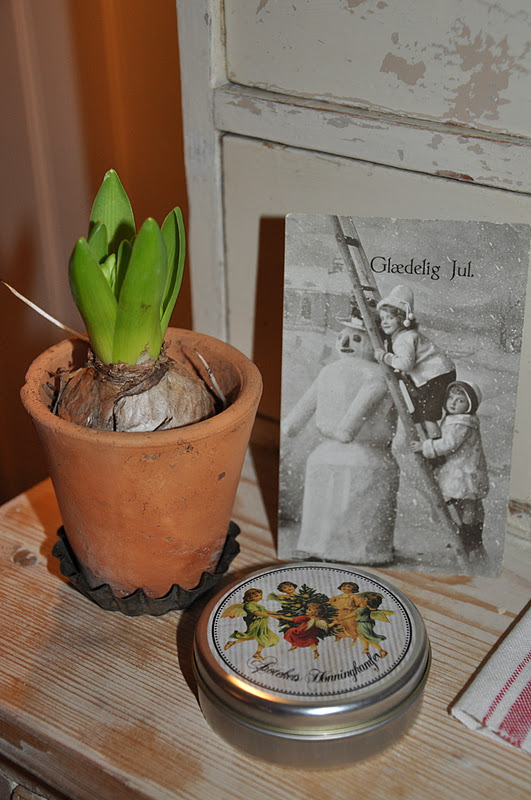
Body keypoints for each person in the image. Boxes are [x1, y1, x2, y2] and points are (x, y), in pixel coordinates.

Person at [411, 380, 489, 559]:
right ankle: (469, 537)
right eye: (450, 398)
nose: (453, 403)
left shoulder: (462, 422)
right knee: (466, 504)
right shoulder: (457, 419)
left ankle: (468, 537)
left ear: (470, 405)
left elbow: (449, 444)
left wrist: (426, 446)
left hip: (463, 470)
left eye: (460, 400)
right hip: (463, 467)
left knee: (467, 503)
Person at [374, 284, 456, 438]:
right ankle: (428, 442)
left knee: (428, 416)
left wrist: (385, 357)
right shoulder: (403, 336)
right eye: (383, 318)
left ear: (402, 320)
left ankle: (434, 446)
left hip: (437, 375)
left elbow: (406, 364)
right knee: (421, 411)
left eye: (390, 318)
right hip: (439, 373)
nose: (385, 322)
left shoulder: (404, 338)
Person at [223, 588, 280, 661]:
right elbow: (256, 613)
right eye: (256, 596)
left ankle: (257, 653)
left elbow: (266, 611)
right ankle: (233, 643)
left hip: (262, 624)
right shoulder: (248, 605)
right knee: (258, 636)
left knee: (262, 637)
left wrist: (277, 613)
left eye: (260, 595)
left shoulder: (257, 605)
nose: (260, 597)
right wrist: (271, 616)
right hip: (255, 624)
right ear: (249, 598)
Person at [355, 592, 394, 657]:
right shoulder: (370, 609)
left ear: (369, 602)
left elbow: (354, 613)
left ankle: (382, 651)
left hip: (363, 624)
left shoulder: (364, 609)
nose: (363, 600)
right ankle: (366, 649)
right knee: (362, 636)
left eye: (365, 599)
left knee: (368, 638)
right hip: (365, 623)